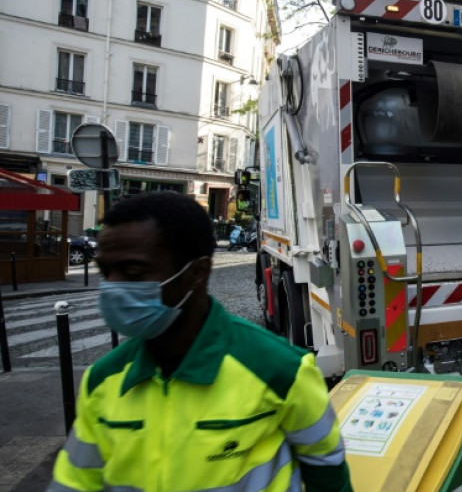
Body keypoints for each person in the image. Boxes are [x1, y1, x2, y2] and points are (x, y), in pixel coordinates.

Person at [50, 191, 351, 492]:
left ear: (197, 272)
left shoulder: (281, 370)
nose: (112, 287)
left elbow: (327, 472)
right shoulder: (101, 381)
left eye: (133, 272)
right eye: (106, 272)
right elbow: (75, 481)